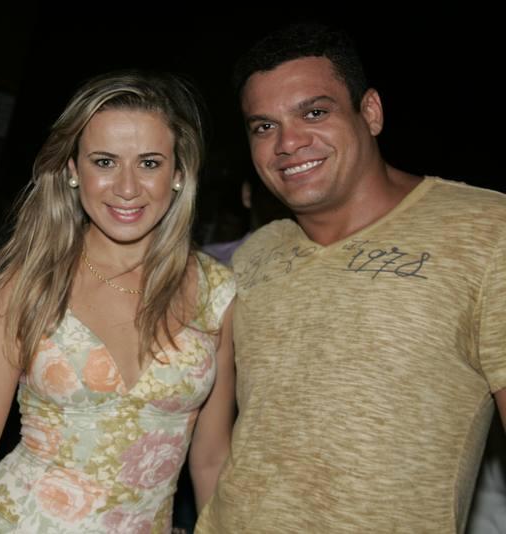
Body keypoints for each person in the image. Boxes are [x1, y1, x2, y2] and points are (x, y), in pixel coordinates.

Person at [196, 23, 506, 533]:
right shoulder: (253, 256)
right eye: (264, 126)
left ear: (371, 112)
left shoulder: (486, 231)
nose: (288, 142)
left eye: (314, 113)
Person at [0, 71, 236, 533]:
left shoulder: (217, 293)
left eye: (149, 163)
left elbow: (211, 459)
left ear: (178, 174)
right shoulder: (27, 284)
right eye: (104, 162)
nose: (127, 187)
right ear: (72, 170)